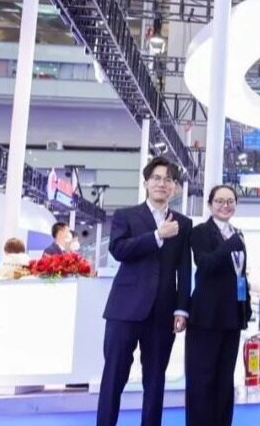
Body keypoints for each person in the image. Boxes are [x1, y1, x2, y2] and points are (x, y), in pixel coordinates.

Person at [96, 156, 192, 426]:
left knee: (155, 381)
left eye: (168, 179)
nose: (162, 183)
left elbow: (185, 269)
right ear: (147, 183)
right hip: (124, 309)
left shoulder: (183, 223)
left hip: (163, 312)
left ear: (174, 187)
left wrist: (181, 308)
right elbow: (118, 250)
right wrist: (157, 236)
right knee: (113, 377)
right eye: (157, 178)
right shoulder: (126, 215)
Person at [185, 185, 251, 426]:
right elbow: (205, 264)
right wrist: (229, 244)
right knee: (202, 378)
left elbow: (240, 274)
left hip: (232, 316)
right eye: (220, 201)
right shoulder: (200, 232)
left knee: (225, 379)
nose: (226, 205)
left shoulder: (237, 233)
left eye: (230, 201)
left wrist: (245, 307)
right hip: (206, 316)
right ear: (210, 204)